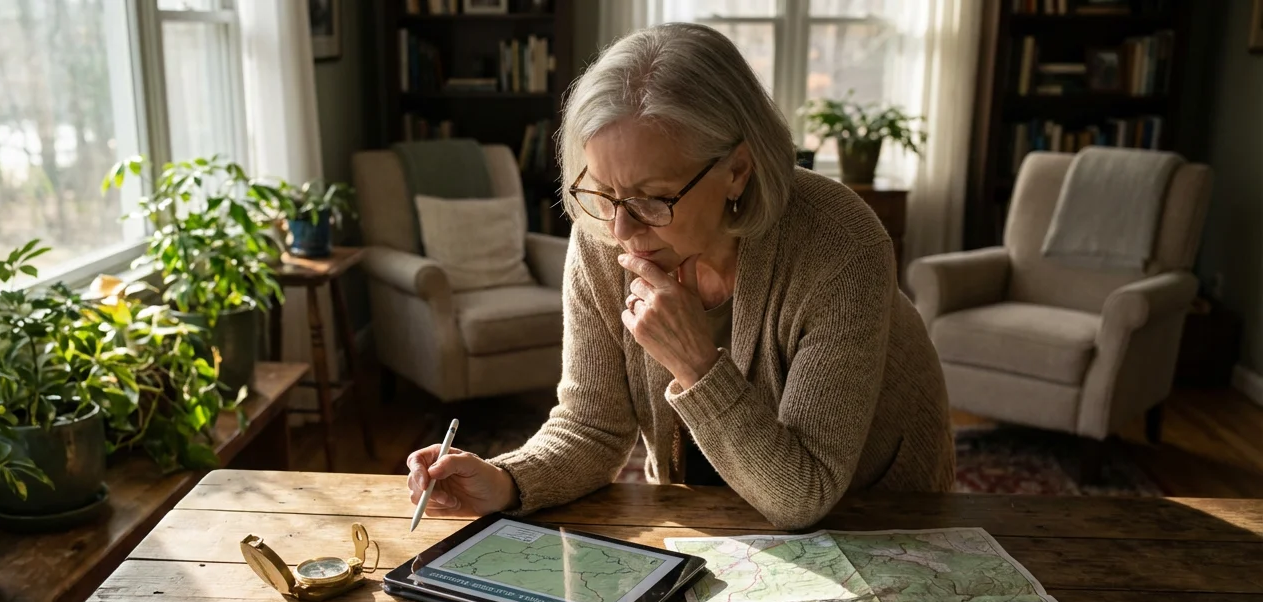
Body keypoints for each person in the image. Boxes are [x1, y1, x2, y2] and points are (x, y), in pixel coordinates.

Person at [406, 23, 954, 530]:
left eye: (651, 197)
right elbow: (592, 429)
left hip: (876, 514)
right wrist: (504, 482)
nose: (620, 227)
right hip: (712, 515)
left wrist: (696, 363)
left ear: (737, 171)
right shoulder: (603, 234)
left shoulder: (840, 242)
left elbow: (804, 493)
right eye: (601, 191)